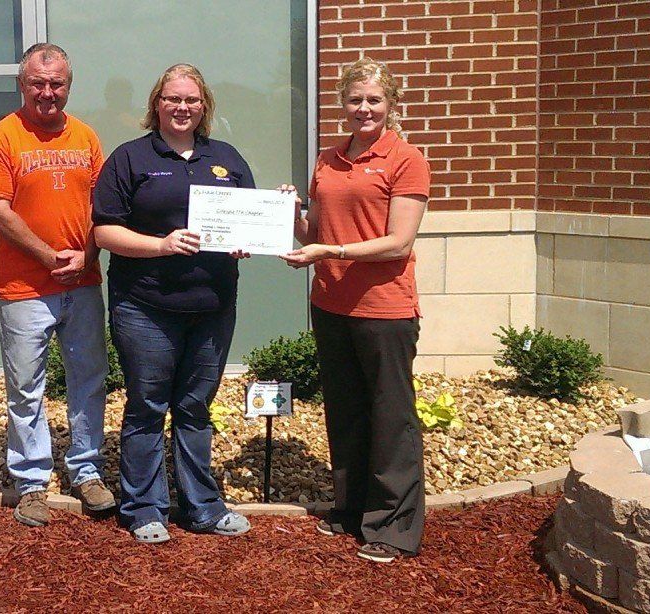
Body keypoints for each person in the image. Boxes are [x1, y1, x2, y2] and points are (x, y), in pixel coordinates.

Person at [93, 63, 253, 544]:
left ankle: (202, 506)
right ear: (156, 104)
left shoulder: (225, 158)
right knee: (147, 405)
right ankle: (144, 508)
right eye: (173, 99)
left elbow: (248, 219)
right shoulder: (130, 158)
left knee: (194, 405)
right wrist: (161, 245)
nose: (182, 108)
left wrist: (249, 235)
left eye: (191, 100)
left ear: (204, 107)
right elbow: (104, 231)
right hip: (146, 306)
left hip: (212, 305)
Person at [280, 57, 431, 563]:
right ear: (343, 104)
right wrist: (290, 211)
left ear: (390, 104)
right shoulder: (328, 159)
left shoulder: (406, 158)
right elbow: (314, 233)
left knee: (391, 417)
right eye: (355, 100)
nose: (364, 108)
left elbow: (398, 242)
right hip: (331, 304)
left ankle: (394, 527)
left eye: (374, 100)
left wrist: (333, 253)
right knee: (345, 412)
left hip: (384, 308)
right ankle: (352, 511)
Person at [0, 43, 114, 528]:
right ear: (22, 84)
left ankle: (87, 469)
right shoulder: (2, 138)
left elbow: (104, 207)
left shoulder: (86, 137)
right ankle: (31, 481)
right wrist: (49, 257)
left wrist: (87, 255)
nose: (47, 93)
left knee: (88, 378)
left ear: (68, 86)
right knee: (25, 388)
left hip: (84, 281)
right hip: (24, 287)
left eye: (56, 84)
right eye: (38, 83)